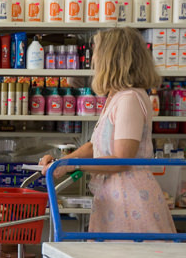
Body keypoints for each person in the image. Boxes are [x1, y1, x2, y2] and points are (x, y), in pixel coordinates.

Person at [40, 27, 175, 234]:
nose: (92, 58)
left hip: (130, 200)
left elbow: (122, 159)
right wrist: (64, 163)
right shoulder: (117, 97)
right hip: (114, 196)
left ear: (111, 59)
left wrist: (75, 165)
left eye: (96, 52)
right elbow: (95, 146)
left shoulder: (129, 98)